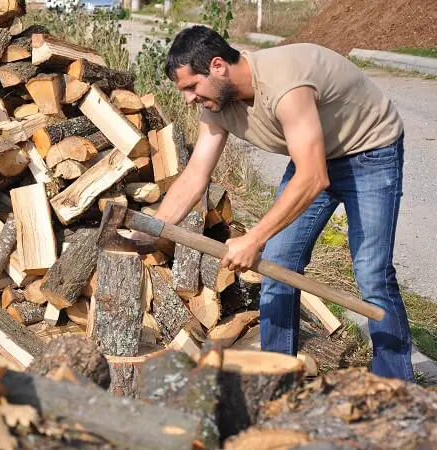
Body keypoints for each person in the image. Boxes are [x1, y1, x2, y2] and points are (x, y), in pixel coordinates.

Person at [143, 25, 413, 380]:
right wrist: (150, 233)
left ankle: (397, 388)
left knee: (372, 274)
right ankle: (275, 380)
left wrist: (253, 238)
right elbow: (195, 176)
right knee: (278, 264)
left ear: (218, 66)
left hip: (370, 152)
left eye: (192, 87)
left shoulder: (284, 84)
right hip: (315, 156)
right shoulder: (218, 105)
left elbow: (314, 177)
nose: (190, 99)